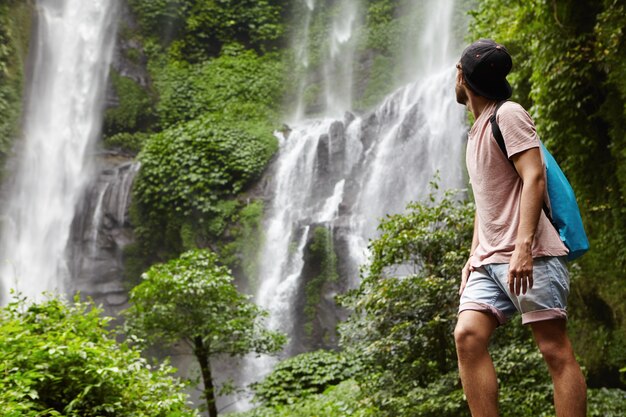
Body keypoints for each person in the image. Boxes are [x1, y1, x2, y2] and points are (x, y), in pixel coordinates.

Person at [453, 39, 587, 417]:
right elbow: (487, 199)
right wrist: (472, 254)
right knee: (467, 336)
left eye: (456, 71)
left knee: (554, 349)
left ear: (462, 77)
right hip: (487, 259)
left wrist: (524, 247)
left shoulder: (508, 115)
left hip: (531, 254)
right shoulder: (478, 128)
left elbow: (534, 178)